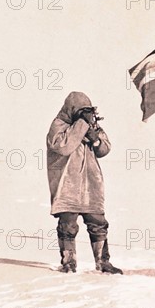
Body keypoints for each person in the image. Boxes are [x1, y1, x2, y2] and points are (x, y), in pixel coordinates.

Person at [46, 91, 122, 274]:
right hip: (68, 184)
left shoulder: (90, 125)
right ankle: (68, 263)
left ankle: (103, 262)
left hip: (90, 184)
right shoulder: (59, 125)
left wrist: (95, 139)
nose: (87, 115)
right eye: (82, 111)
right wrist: (82, 124)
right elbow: (62, 146)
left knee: (98, 222)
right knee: (68, 225)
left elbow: (105, 149)